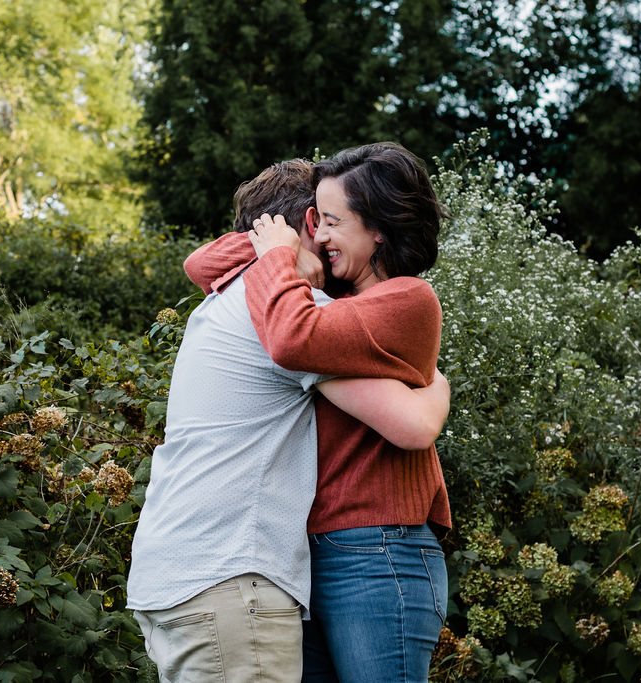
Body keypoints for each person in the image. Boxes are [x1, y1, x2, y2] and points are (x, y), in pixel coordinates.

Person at [127, 158, 450, 682]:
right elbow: (410, 419)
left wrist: (274, 253)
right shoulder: (282, 305)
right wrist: (439, 384)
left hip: (213, 568)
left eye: (334, 220)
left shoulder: (250, 298)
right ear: (303, 223)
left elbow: (207, 264)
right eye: (318, 221)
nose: (324, 235)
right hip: (231, 573)